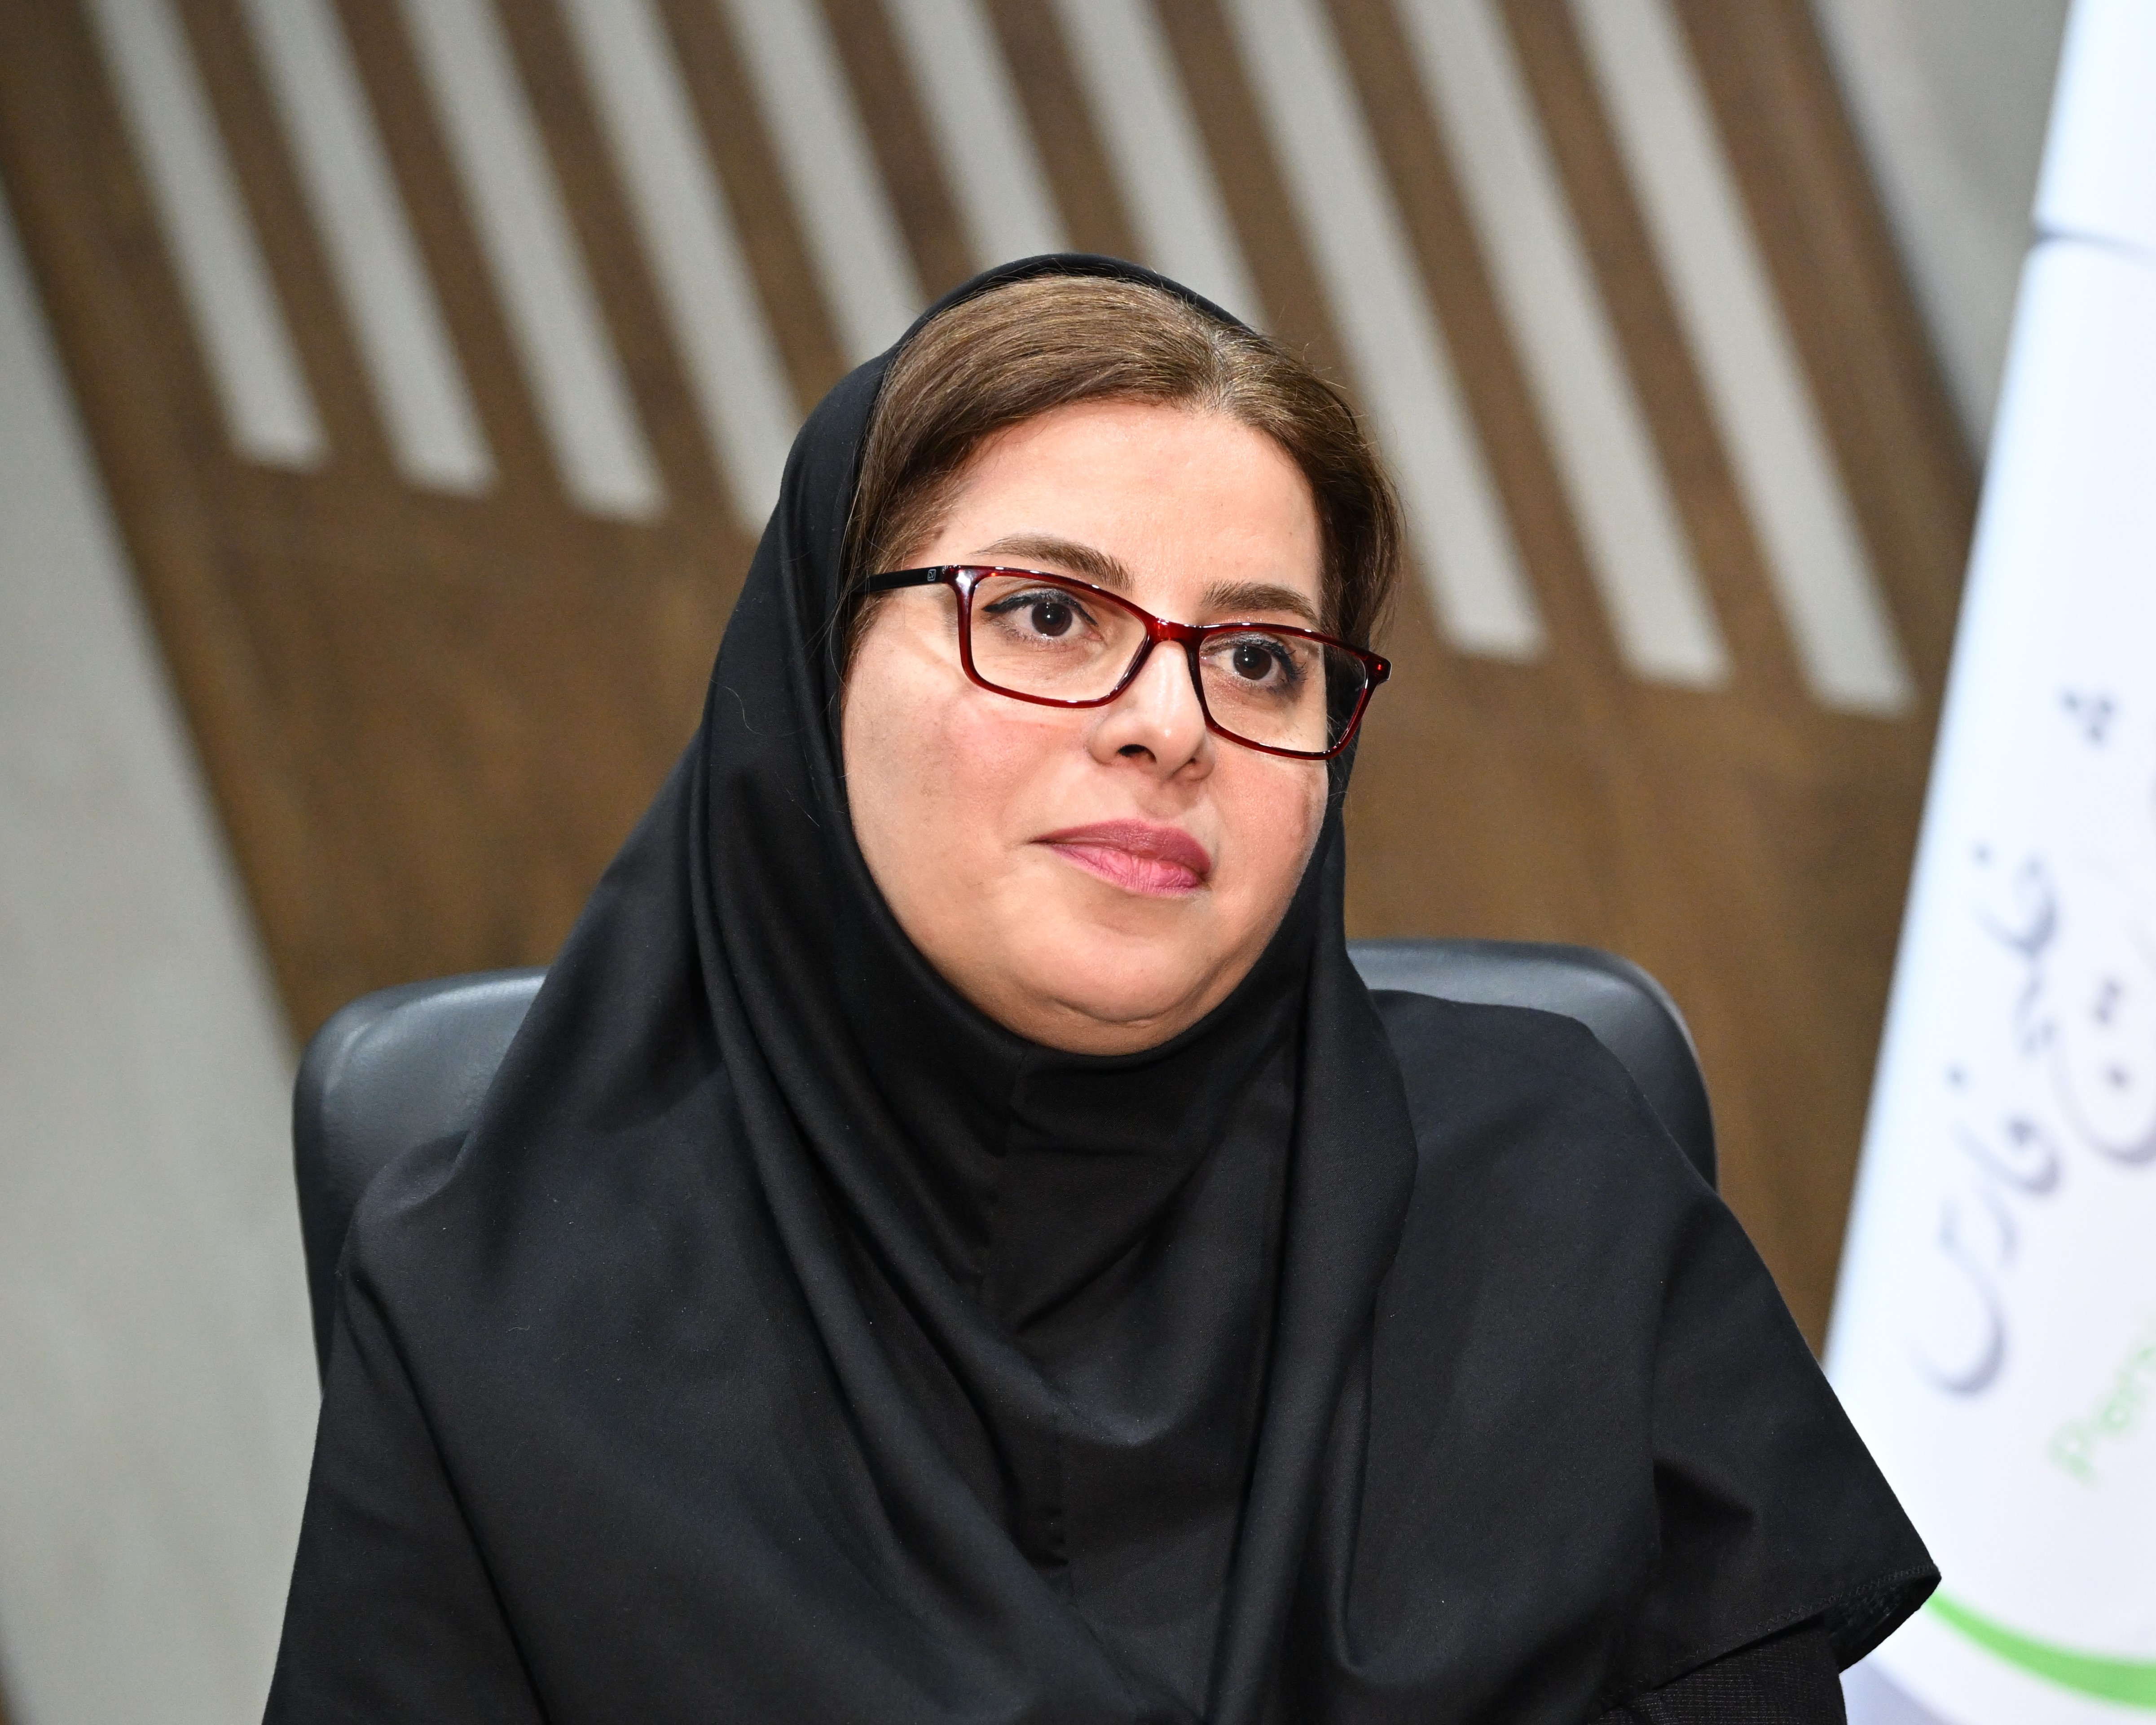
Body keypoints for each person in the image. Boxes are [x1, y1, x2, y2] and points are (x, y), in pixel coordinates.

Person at [264, 258, 1932, 1723]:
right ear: (816, 668)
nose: (1168, 722)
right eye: (1049, 614)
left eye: (1260, 656)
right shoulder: (501, 1318)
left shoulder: (1553, 1188)